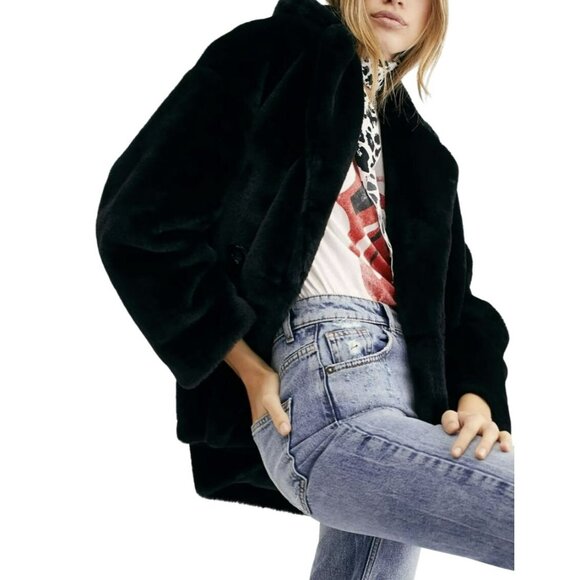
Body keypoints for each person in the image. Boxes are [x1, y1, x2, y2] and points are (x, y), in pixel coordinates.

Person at [96, 0, 514, 577]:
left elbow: (460, 306)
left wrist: (477, 397)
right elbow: (139, 221)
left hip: (415, 407)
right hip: (322, 394)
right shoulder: (271, 55)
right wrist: (246, 366)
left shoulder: (425, 155)